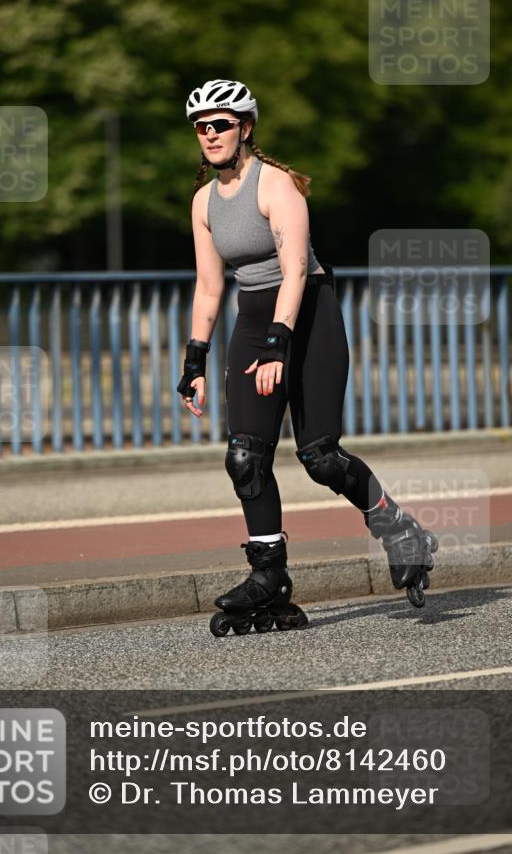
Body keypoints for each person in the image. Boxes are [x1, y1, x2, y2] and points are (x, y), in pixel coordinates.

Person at [177, 80, 438, 635]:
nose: (210, 134)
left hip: (310, 315)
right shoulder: (203, 201)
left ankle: (397, 527)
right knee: (245, 457)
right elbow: (207, 285)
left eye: (220, 124)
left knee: (318, 456)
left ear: (245, 128)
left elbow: (295, 271)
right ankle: (269, 577)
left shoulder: (278, 187)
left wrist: (279, 344)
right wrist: (194, 362)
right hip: (253, 318)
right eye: (201, 127)